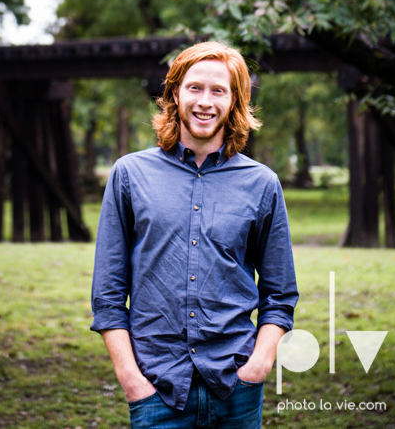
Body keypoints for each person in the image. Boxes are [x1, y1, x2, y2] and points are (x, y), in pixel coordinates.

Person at [90, 41, 298, 428]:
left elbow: (281, 294)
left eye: (219, 90)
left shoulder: (262, 184)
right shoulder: (129, 176)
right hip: (155, 389)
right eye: (195, 88)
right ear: (174, 94)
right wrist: (132, 380)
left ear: (235, 100)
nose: (205, 101)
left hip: (236, 388)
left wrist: (257, 367)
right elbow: (107, 295)